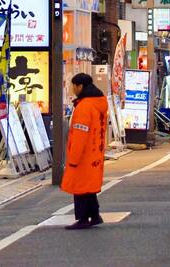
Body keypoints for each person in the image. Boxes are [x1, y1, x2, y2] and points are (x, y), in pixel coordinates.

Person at [62, 73, 109, 230]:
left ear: (80, 86)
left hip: (83, 153)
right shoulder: (99, 103)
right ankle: (94, 215)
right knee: (89, 187)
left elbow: (80, 133)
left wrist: (73, 157)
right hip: (95, 152)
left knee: (80, 186)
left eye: (74, 86)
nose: (72, 89)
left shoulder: (84, 106)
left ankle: (83, 218)